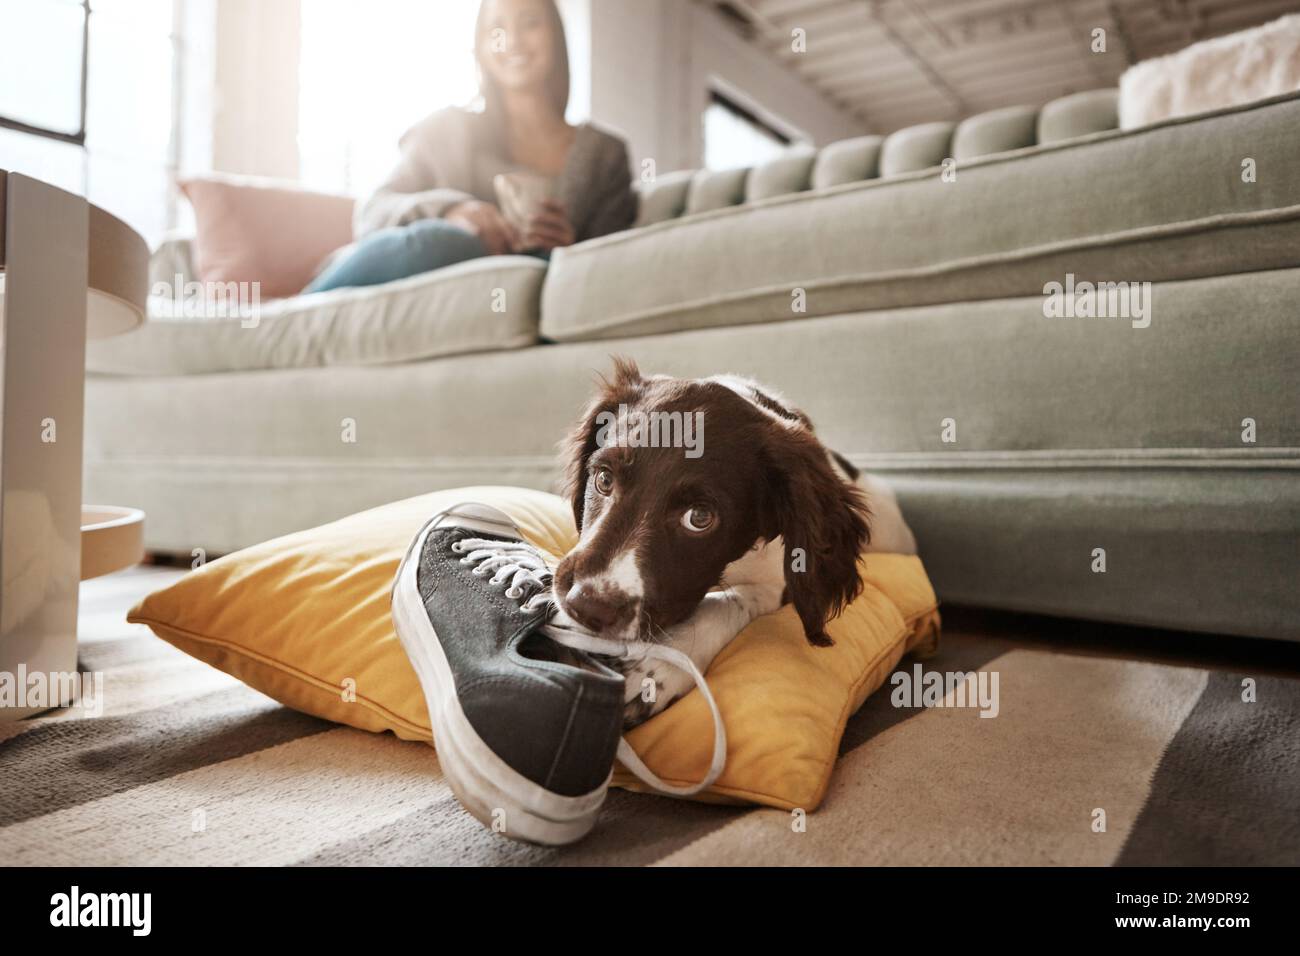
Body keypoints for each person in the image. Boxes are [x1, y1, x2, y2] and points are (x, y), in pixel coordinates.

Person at [305, 0, 637, 293]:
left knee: (540, 261)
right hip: (403, 277)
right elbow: (371, 212)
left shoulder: (604, 155)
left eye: (530, 23)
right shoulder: (446, 129)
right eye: (496, 27)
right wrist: (451, 211)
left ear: (556, 35)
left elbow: (610, 271)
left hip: (504, 304)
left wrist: (570, 248)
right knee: (450, 242)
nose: (513, 40)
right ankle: (289, 318)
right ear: (479, 46)